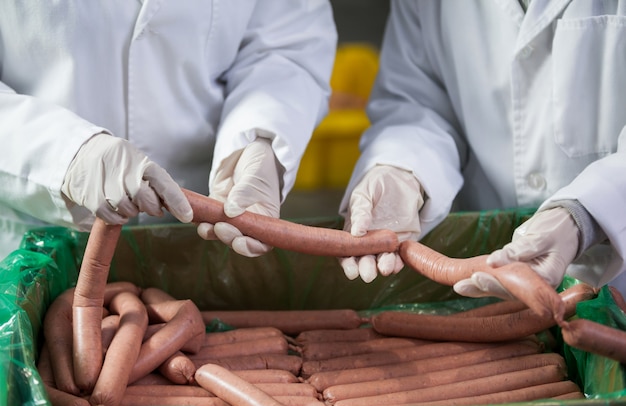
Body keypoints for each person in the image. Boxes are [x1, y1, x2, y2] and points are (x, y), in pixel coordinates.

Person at [0, 1, 337, 261]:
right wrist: (65, 155)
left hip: (209, 232)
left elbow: (287, 44)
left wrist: (259, 138)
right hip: (36, 230)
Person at [339, 0, 626, 299]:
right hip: (484, 284)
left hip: (617, 282)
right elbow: (420, 101)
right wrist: (400, 168)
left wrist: (588, 214)